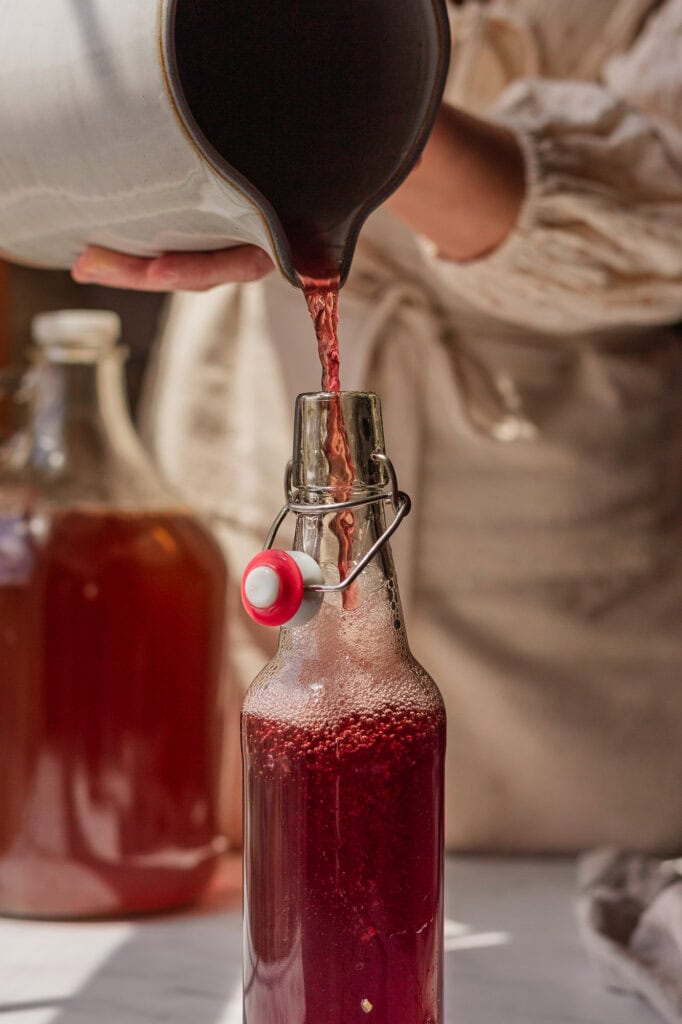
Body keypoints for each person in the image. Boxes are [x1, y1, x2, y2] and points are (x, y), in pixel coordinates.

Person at [72, 0, 682, 852]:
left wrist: (312, 98)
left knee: (553, 946)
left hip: (562, 661)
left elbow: (666, 199)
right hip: (249, 440)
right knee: (263, 868)